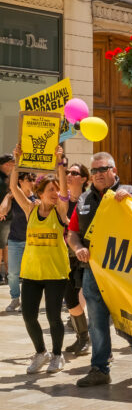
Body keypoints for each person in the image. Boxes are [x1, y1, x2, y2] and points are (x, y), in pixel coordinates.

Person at [67, 152, 132, 387]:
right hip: (93, 269)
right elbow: (73, 233)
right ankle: (100, 368)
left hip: (125, 270)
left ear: (114, 171)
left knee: (129, 315)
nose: (97, 174)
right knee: (96, 319)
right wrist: (77, 249)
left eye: (102, 169)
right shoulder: (84, 199)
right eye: (93, 171)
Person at [10, 145, 70, 374]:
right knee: (28, 316)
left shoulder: (60, 210)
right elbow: (14, 187)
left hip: (56, 272)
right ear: (41, 192)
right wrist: (17, 161)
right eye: (51, 190)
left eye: (56, 190)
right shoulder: (30, 209)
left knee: (54, 317)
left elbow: (65, 192)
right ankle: (40, 352)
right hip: (32, 272)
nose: (55, 194)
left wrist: (59, 163)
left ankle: (57, 354)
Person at [64, 163, 91, 356]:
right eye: (67, 172)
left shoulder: (88, 200)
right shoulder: (62, 200)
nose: (69, 175)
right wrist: (58, 164)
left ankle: (91, 341)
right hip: (66, 256)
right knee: (71, 300)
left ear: (83, 179)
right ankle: (83, 337)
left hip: (86, 256)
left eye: (74, 173)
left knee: (85, 298)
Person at [1, 169, 35, 313]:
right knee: (13, 273)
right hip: (15, 240)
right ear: (19, 182)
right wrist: (9, 196)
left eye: (34, 180)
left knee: (30, 274)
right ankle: (15, 299)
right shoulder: (13, 198)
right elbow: (2, 211)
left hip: (33, 242)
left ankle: (27, 301)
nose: (32, 183)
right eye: (29, 180)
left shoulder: (38, 197)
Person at [0, 153, 14, 286]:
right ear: (6, 164)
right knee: (1, 245)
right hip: (2, 216)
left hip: (7, 216)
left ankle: (8, 275)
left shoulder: (7, 177)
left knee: (5, 245)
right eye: (11, 163)